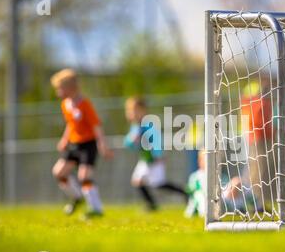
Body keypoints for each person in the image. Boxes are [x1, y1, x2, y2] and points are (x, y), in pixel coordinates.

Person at [51, 69, 113, 218]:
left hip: (88, 144)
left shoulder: (84, 104)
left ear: (70, 88)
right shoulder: (65, 105)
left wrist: (102, 145)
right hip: (75, 144)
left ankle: (96, 209)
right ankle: (77, 197)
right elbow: (71, 124)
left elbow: (96, 125)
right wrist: (65, 139)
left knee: (84, 176)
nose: (58, 93)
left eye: (60, 89)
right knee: (59, 172)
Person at [124, 96, 188, 211]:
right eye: (129, 111)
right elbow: (128, 143)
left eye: (134, 111)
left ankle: (185, 193)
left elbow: (156, 140)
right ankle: (151, 204)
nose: (131, 114)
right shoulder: (134, 127)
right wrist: (131, 141)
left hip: (154, 160)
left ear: (142, 111)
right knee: (137, 181)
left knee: (159, 184)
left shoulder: (148, 125)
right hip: (145, 160)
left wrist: (159, 155)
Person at [240, 78, 272, 207]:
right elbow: (261, 123)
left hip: (253, 138)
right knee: (257, 172)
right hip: (259, 139)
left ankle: (254, 199)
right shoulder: (260, 103)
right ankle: (255, 200)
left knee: (254, 170)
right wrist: (271, 135)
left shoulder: (250, 103)